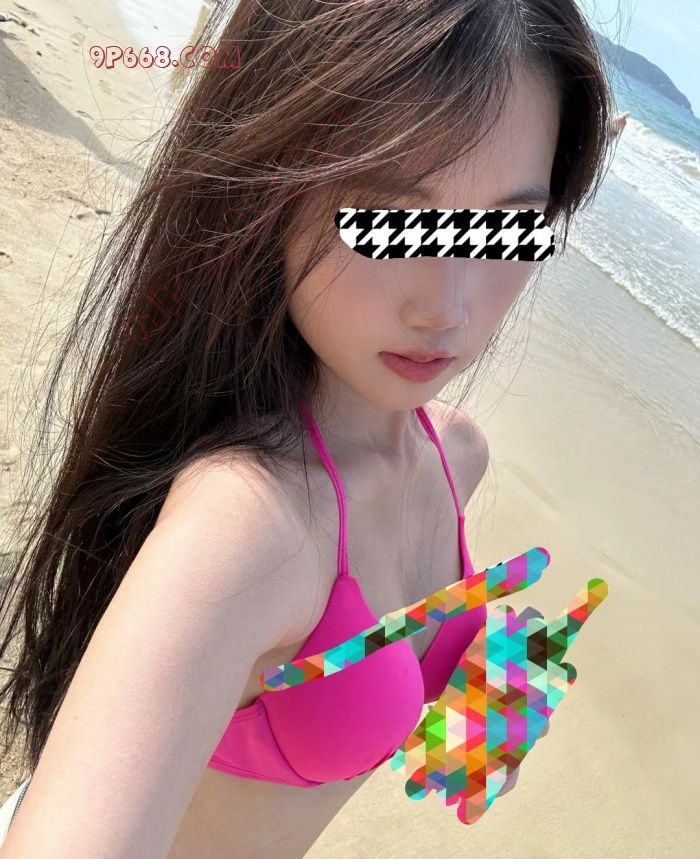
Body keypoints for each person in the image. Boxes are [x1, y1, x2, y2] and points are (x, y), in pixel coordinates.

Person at [0, 0, 613, 856]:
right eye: (389, 218)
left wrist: (482, 699)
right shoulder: (249, 520)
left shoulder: (456, 453)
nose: (446, 305)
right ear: (272, 188)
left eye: (505, 228)